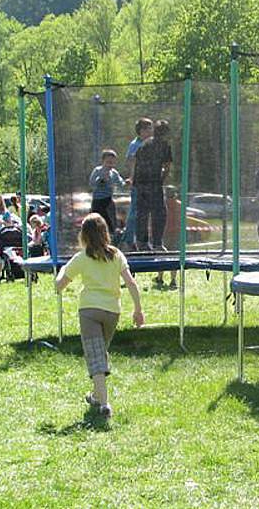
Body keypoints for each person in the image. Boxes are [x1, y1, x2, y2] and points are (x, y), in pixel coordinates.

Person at [55, 213, 143, 419]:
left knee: (96, 359)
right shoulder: (116, 255)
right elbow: (131, 283)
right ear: (105, 232)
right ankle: (96, 396)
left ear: (84, 235)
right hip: (112, 312)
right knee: (99, 356)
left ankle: (104, 405)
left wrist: (61, 271)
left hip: (89, 311)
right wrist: (138, 309)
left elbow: (59, 286)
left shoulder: (81, 257)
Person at [134, 119, 172, 251]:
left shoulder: (144, 143)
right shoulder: (164, 145)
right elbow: (167, 167)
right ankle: (157, 243)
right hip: (153, 183)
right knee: (159, 213)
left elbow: (136, 163)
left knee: (142, 213)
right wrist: (161, 179)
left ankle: (142, 242)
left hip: (141, 182)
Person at [124, 117, 154, 250]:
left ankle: (144, 241)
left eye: (151, 129)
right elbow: (131, 162)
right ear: (141, 131)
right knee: (134, 211)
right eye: (148, 129)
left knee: (146, 213)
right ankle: (129, 239)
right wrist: (131, 178)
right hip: (138, 183)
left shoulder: (151, 143)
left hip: (149, 183)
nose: (150, 131)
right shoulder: (135, 144)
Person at [89, 149, 129, 235]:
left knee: (110, 221)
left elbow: (120, 183)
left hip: (108, 200)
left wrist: (126, 183)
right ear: (103, 161)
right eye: (108, 162)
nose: (110, 165)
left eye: (112, 162)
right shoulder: (98, 171)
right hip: (97, 201)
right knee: (97, 222)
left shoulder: (113, 173)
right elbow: (92, 183)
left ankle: (111, 236)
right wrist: (101, 180)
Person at [154, 186, 181, 290]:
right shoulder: (179, 205)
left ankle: (160, 278)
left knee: (162, 256)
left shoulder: (160, 204)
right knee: (174, 257)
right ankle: (173, 280)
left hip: (163, 233)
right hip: (176, 234)